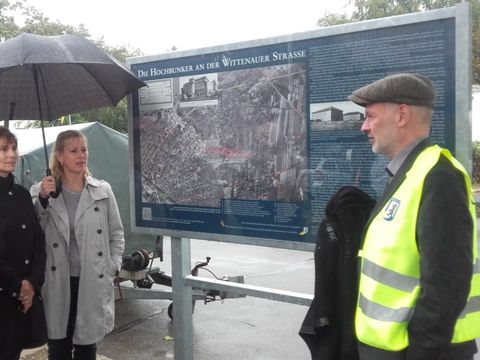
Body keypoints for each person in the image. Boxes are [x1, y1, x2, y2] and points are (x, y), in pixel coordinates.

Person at [348, 73, 480, 360]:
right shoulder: (410, 171)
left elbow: (446, 287)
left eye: (370, 116)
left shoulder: (439, 177)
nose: (364, 126)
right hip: (390, 348)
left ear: (402, 115)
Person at [30, 130, 125, 360]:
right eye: (74, 151)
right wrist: (43, 198)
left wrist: (112, 265)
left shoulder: (102, 191)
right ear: (60, 157)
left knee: (86, 348)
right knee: (58, 347)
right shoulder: (42, 192)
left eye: (84, 149)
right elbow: (33, 233)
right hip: (57, 280)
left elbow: (116, 233)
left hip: (92, 278)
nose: (81, 155)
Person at [0, 126, 47, 360]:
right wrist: (18, 287)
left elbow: (38, 240)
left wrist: (32, 283)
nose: (11, 154)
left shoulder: (20, 193)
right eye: (3, 149)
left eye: (13, 148)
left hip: (23, 297)